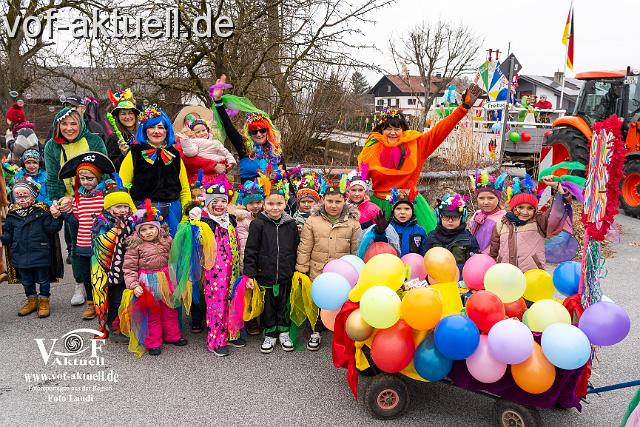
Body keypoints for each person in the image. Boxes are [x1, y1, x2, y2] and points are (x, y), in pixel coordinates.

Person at [357, 84, 483, 233]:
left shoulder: (417, 145)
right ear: (381, 130)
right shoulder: (372, 147)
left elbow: (440, 130)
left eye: (397, 128)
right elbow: (360, 179)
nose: (393, 133)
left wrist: (463, 108)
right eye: (388, 128)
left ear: (403, 131)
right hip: (381, 206)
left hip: (411, 204)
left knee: (422, 245)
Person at [296, 178, 361, 350]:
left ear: (344, 201)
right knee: (319, 302)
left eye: (338, 201)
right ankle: (315, 332)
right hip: (318, 270)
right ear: (323, 200)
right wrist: (302, 270)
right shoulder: (312, 221)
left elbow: (356, 250)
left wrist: (356, 271)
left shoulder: (352, 223)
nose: (333, 205)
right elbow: (305, 247)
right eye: (330, 201)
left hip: (342, 274)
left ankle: (340, 333)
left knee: (341, 303)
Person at [243, 175, 299, 354]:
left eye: (279, 204)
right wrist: (250, 274)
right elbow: (251, 250)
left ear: (285, 204)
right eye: (270, 204)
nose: (275, 208)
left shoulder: (290, 224)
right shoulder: (258, 224)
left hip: (285, 274)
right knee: (268, 306)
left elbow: (296, 248)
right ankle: (270, 333)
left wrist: (295, 270)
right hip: (264, 274)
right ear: (264, 205)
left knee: (284, 304)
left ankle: (283, 331)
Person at [123, 201, 187, 356]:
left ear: (158, 227)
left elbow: (176, 254)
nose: (148, 232)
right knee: (152, 312)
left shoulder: (166, 239)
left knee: (169, 309)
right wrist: (134, 285)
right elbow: (129, 268)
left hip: (166, 278)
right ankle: (154, 342)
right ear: (138, 231)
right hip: (147, 281)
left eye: (151, 227)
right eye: (143, 229)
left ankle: (172, 336)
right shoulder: (135, 246)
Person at [119, 104, 191, 236]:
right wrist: (136, 213)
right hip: (143, 213)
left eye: (161, 127)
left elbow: (185, 189)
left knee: (173, 254)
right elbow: (122, 187)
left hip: (173, 213)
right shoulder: (134, 153)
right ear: (145, 130)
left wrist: (186, 216)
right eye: (151, 127)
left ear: (167, 131)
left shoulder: (174, 154)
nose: (156, 131)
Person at [58, 152, 115, 318]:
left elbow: (112, 215)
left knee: (104, 275)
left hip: (102, 244)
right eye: (82, 179)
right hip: (83, 245)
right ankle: (91, 303)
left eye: (90, 178)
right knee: (88, 277)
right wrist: (62, 212)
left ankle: (107, 302)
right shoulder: (79, 198)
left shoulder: (104, 196)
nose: (86, 182)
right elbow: (75, 219)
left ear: (98, 178)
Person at [1, 178, 63, 318]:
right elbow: (8, 235)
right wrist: (3, 238)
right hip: (20, 253)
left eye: (25, 196)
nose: (22, 199)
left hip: (40, 252)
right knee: (26, 280)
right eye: (18, 197)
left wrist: (57, 218)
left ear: (33, 196)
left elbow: (52, 229)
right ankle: (31, 300)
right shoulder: (12, 215)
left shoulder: (42, 211)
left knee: (43, 279)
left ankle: (43, 301)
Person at [210, 75, 286, 182]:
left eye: (262, 130)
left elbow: (286, 177)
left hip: (274, 197)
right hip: (250, 197)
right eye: (254, 131)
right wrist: (218, 100)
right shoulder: (245, 147)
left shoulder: (276, 150)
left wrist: (293, 198)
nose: (259, 134)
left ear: (267, 131)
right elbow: (229, 128)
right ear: (249, 133)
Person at [490, 175, 572, 272]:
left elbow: (559, 210)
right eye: (520, 207)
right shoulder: (501, 224)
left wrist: (558, 187)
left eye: (530, 208)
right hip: (506, 275)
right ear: (513, 208)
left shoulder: (539, 221)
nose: (525, 212)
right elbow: (494, 251)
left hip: (533, 276)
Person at [199, 176, 243, 356]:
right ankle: (216, 340)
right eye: (214, 201)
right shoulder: (204, 222)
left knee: (233, 299)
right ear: (207, 203)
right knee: (217, 304)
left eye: (223, 201)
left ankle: (232, 333)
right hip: (214, 272)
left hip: (232, 269)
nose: (219, 205)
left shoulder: (230, 220)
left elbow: (237, 243)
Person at [91, 176, 137, 341]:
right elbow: (100, 242)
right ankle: (114, 327)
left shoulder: (130, 221)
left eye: (126, 206)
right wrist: (117, 231)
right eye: (119, 206)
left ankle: (127, 323)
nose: (123, 210)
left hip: (128, 267)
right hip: (109, 270)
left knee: (128, 296)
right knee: (115, 298)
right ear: (109, 208)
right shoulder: (101, 222)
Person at [425, 194, 479, 273]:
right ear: (439, 218)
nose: (450, 221)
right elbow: (425, 260)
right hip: (436, 279)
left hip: (460, 281)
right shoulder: (431, 237)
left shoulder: (469, 239)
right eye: (446, 217)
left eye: (455, 217)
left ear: (462, 218)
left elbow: (474, 264)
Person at [371, 188, 428, 257]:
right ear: (393, 211)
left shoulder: (420, 231)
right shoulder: (388, 228)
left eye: (407, 209)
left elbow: (424, 253)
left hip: (412, 265)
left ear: (412, 211)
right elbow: (379, 246)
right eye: (398, 209)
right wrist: (380, 232)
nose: (402, 212)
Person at [180, 118, 236, 183]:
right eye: (198, 132)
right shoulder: (194, 142)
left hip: (220, 168)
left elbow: (226, 152)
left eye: (203, 130)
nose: (202, 133)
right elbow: (190, 153)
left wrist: (231, 162)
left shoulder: (216, 141)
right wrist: (185, 141)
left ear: (207, 130)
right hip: (206, 171)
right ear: (193, 134)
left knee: (222, 187)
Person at [468, 170, 508, 254]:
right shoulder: (477, 214)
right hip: (474, 256)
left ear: (498, 199)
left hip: (491, 258)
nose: (486, 202)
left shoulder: (503, 219)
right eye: (481, 198)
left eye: (491, 198)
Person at [105, 88, 140, 170]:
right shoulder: (114, 138)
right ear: (118, 117)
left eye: (130, 113)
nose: (127, 117)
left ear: (135, 115)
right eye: (123, 114)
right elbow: (111, 167)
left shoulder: (143, 134)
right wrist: (123, 155)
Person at [347, 164, 380, 229]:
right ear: (348, 191)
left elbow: (377, 235)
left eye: (360, 190)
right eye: (353, 190)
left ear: (365, 191)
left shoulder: (374, 210)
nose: (357, 194)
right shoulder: (341, 207)